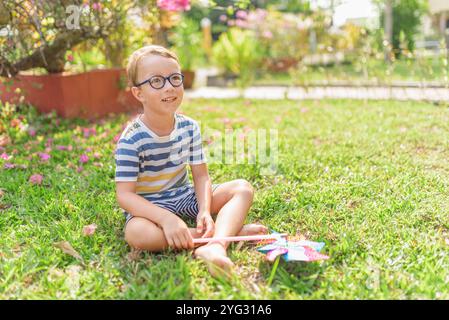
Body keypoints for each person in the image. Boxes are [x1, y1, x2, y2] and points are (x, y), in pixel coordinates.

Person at [115, 45, 267, 277]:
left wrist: (205, 211)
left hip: (184, 195)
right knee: (137, 234)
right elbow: (125, 195)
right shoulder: (132, 138)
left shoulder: (189, 127)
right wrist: (165, 219)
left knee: (242, 188)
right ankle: (226, 234)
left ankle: (215, 246)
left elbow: (201, 175)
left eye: (175, 78)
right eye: (156, 81)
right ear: (138, 93)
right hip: (150, 207)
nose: (169, 86)